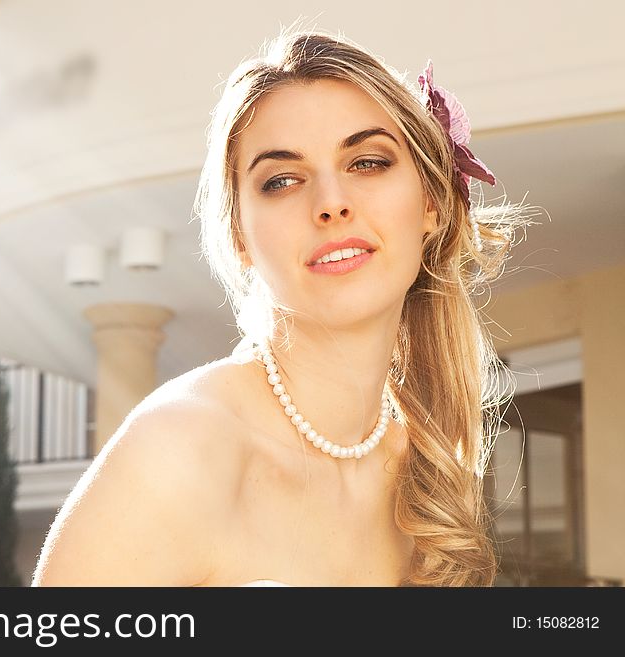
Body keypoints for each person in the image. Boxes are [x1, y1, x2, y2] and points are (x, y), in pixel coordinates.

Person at [32, 26, 536, 587]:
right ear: (240, 236)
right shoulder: (182, 450)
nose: (331, 204)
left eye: (367, 162)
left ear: (433, 204)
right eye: (281, 180)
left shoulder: (427, 468)